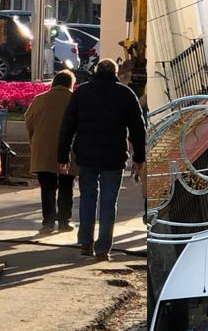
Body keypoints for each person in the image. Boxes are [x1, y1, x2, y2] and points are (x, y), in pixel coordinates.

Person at [58, 58, 145, 260]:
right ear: (115, 72)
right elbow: (137, 129)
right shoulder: (125, 94)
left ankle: (85, 243)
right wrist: (139, 157)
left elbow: (67, 126)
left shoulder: (82, 92)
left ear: (96, 71)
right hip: (113, 157)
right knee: (108, 202)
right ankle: (103, 248)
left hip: (86, 155)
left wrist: (63, 155)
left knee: (87, 198)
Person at [25, 70, 77, 235]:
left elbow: (29, 122)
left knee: (47, 187)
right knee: (66, 186)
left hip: (43, 149)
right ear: (70, 84)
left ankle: (48, 222)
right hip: (69, 151)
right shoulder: (74, 99)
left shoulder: (39, 99)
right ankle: (64, 221)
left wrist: (33, 141)